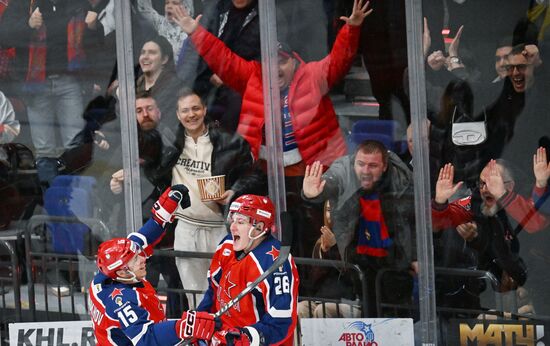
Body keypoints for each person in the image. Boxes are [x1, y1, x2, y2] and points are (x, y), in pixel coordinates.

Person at [174, 0, 372, 259]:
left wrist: (352, 29)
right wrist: (193, 30)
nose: (276, 68)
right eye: (270, 62)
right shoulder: (253, 75)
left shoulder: (312, 75)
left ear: (294, 62)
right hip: (266, 173)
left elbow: (339, 59)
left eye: (282, 62)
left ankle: (314, 288)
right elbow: (223, 59)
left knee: (314, 235)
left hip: (310, 172)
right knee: (265, 233)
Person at [160, 88, 262, 305]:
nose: (191, 114)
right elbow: (152, 171)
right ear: (178, 115)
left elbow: (253, 174)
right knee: (195, 295)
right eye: (185, 110)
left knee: (229, 291)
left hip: (221, 227)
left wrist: (234, 191)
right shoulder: (170, 144)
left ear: (205, 110)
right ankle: (203, 338)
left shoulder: (228, 141)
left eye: (196, 108)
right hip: (186, 227)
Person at [89, 184, 219, 345]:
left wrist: (168, 205)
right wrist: (182, 327)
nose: (143, 258)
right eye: (136, 260)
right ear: (122, 273)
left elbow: (144, 237)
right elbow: (147, 339)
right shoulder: (122, 302)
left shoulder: (109, 272)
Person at [302, 139, 417, 317]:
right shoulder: (344, 169)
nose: (365, 171)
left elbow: (414, 219)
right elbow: (331, 181)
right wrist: (313, 194)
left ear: (385, 166)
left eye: (372, 166)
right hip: (358, 269)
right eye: (361, 164)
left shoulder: (401, 179)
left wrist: (416, 256)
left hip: (393, 268)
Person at [196, 194, 299, 345]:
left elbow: (282, 320)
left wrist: (247, 336)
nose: (233, 227)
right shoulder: (227, 245)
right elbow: (213, 290)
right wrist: (201, 319)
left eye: (241, 222)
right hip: (223, 339)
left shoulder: (275, 262)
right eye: (233, 220)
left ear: (260, 228)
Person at [432, 161, 550, 290]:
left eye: (492, 183)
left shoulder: (523, 202)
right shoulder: (474, 202)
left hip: (535, 285)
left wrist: (503, 196)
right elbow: (439, 222)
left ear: (509, 187)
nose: (484, 189)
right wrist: (440, 202)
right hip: (487, 289)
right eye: (482, 183)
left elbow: (534, 224)